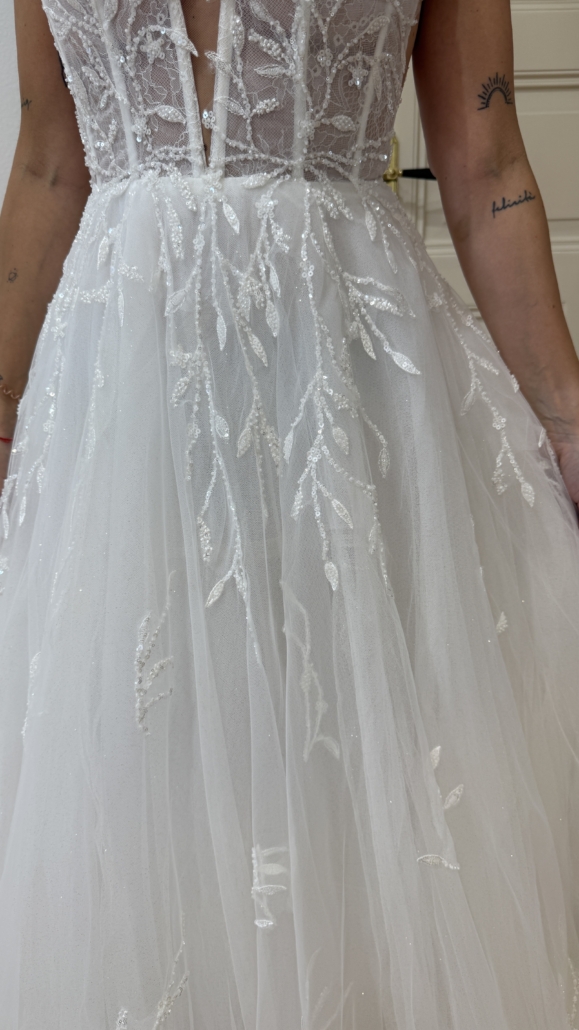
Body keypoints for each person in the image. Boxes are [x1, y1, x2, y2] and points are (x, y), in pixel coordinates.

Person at [1, 0, 578, 1026]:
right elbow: (51, 163)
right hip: (116, 420)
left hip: (351, 419)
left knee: (361, 811)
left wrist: (567, 419)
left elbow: (485, 162)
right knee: (134, 811)